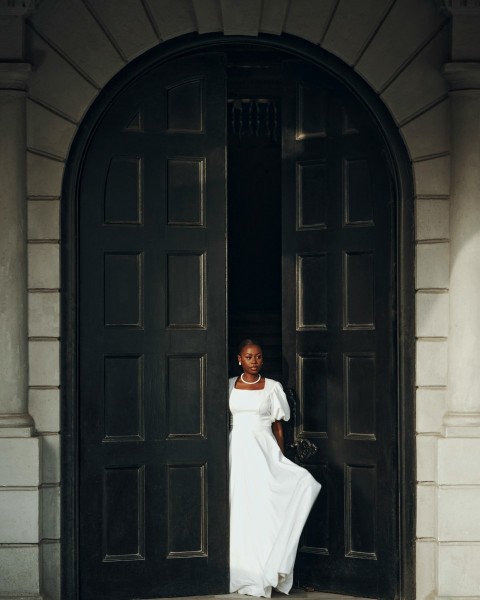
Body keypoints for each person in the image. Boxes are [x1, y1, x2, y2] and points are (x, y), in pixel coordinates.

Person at [229, 339, 321, 598]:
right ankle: (242, 568)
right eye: (249, 357)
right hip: (237, 450)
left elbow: (278, 426)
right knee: (241, 508)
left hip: (264, 450)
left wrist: (280, 457)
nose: (255, 361)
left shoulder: (272, 387)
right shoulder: (228, 386)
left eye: (258, 357)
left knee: (269, 505)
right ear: (239, 359)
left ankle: (270, 565)